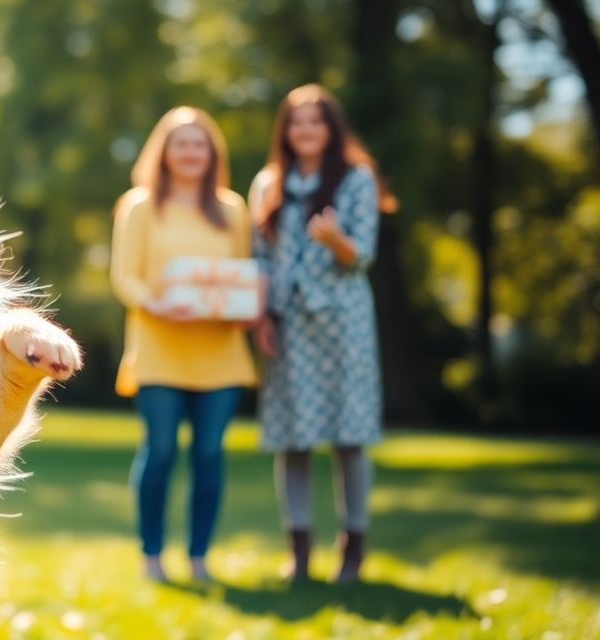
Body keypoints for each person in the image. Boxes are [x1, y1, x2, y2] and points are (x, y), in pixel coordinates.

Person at [249, 84, 393, 584]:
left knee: (350, 436)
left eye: (315, 121)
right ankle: (300, 552)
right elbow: (260, 256)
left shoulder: (356, 178)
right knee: (294, 438)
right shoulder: (268, 183)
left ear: (331, 128)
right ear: (285, 131)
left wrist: (336, 241)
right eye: (296, 121)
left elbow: (363, 255)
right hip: (288, 325)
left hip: (343, 324)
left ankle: (352, 550)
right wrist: (262, 316)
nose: (305, 130)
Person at [111, 106, 258, 583]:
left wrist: (247, 306)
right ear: (165, 152)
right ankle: (151, 554)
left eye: (200, 144)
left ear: (212, 153)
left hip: (221, 352)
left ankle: (199, 558)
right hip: (158, 349)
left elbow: (242, 274)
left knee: (210, 454)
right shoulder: (139, 205)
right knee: (160, 451)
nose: (192, 153)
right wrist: (155, 304)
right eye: (182, 144)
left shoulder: (232, 208)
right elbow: (124, 277)